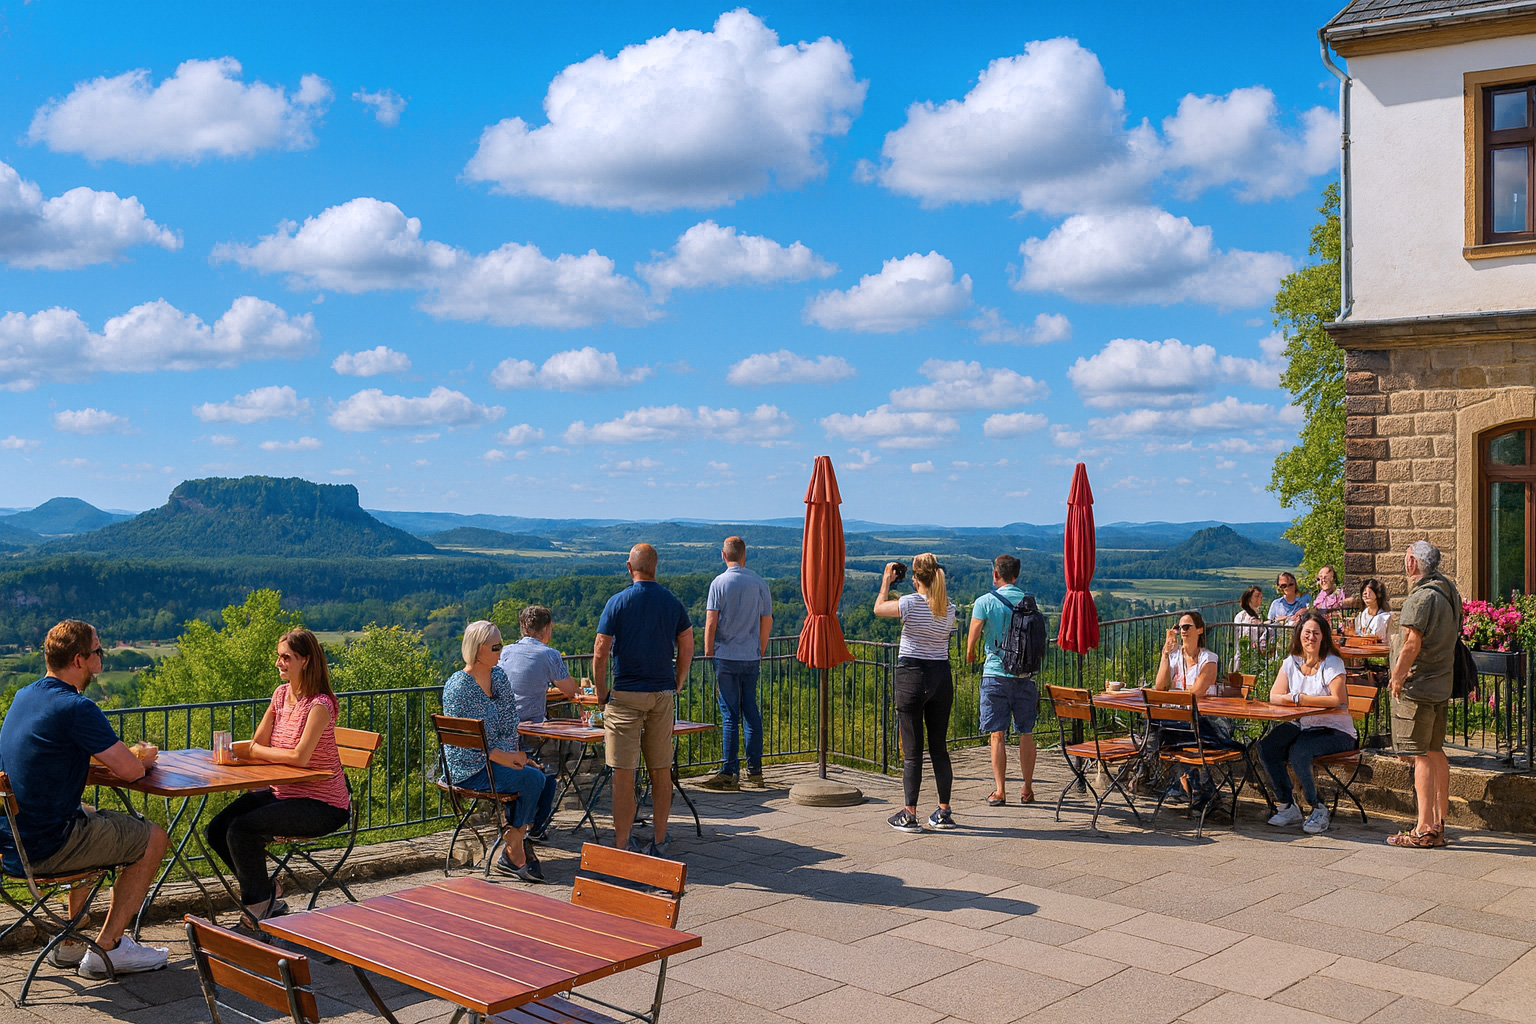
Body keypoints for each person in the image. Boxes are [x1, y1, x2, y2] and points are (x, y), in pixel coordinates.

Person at [0, 620, 171, 979]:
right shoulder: (76, 708)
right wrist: (145, 758)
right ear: (79, 660)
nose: (102, 656)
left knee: (88, 813)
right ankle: (109, 948)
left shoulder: (24, 697)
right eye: (98, 651)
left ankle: (70, 940)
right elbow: (130, 772)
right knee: (154, 837)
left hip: (12, 843)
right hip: (48, 846)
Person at [207, 628, 353, 922]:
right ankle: (264, 889)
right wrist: (252, 753)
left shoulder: (320, 705)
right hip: (283, 793)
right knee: (217, 829)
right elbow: (257, 742)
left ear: (306, 661)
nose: (279, 663)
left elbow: (299, 757)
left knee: (241, 830)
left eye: (286, 657)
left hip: (323, 805)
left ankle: (257, 910)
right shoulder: (280, 695)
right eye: (279, 657)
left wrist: (257, 751)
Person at [593, 543, 692, 856]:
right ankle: (660, 839)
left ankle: (622, 843)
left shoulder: (618, 602)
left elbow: (600, 651)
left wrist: (600, 692)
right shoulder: (671, 602)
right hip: (662, 695)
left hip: (624, 696)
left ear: (628, 567)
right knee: (660, 770)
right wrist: (677, 681)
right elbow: (687, 644)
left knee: (624, 774)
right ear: (656, 567)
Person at [441, 620, 553, 881]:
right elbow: (468, 746)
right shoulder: (459, 687)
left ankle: (516, 837)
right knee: (533, 778)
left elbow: (509, 724)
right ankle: (515, 847)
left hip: (497, 760)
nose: (502, 651)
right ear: (478, 649)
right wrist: (514, 759)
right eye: (496, 646)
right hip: (469, 768)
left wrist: (516, 758)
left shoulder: (499, 677)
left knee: (546, 780)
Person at [875, 553, 957, 833]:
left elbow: (879, 608)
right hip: (941, 676)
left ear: (916, 579)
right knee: (939, 748)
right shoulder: (949, 607)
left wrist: (886, 581)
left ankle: (910, 813)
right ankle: (943, 811)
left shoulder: (909, 603)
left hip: (911, 675)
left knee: (912, 752)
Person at [1387, 540, 1460, 848]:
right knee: (1434, 751)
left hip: (1420, 687)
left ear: (1412, 564)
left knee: (1420, 755)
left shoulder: (1421, 597)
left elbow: (1411, 644)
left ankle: (1423, 828)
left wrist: (1397, 677)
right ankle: (1439, 822)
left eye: (1407, 558)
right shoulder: (1448, 589)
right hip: (1442, 682)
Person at [1259, 610, 1356, 835]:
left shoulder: (1332, 663)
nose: (1311, 637)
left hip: (1335, 730)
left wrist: (1301, 699)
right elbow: (1274, 695)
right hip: (1303, 724)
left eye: (1316, 633)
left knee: (1300, 752)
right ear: (1299, 635)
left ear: (1323, 638)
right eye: (1307, 632)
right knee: (1267, 747)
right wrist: (1294, 699)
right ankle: (1287, 805)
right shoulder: (1291, 663)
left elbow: (1338, 699)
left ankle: (1318, 806)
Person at [697, 536, 773, 793]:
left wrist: (709, 651)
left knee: (730, 714)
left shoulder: (719, 583)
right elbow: (767, 620)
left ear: (723, 555)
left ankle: (729, 772)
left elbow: (711, 621)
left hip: (726, 656)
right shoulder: (759, 582)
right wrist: (759, 649)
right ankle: (755, 770)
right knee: (750, 711)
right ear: (744, 554)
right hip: (750, 656)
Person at [496, 605, 575, 838]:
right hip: (531, 729)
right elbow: (570, 690)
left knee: (518, 767)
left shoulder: (505, 652)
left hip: (503, 731)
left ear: (522, 628)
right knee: (548, 770)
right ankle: (536, 826)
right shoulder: (549, 654)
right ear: (547, 628)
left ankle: (514, 823)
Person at [965, 554, 1038, 806]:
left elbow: (973, 634)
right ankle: (1027, 788)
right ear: (1016, 575)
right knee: (1026, 733)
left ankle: (1000, 790)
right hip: (1025, 675)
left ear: (996, 574)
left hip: (996, 672)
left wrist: (970, 653)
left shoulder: (984, 602)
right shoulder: (1029, 601)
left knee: (997, 733)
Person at [1152, 610, 1231, 805]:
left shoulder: (1209, 658)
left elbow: (1196, 691)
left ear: (1200, 630)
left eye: (1187, 627)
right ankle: (1198, 786)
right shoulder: (1174, 656)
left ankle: (1165, 774)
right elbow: (1160, 687)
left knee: (1164, 728)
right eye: (1179, 627)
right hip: (1183, 721)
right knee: (1161, 724)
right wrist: (1164, 654)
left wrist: (1177, 694)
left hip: (1208, 722)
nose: (1182, 631)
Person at [1233, 585, 1271, 669]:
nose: (1259, 599)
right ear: (1249, 598)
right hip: (1245, 651)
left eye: (1260, 597)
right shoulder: (1242, 616)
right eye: (1256, 596)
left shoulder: (1257, 615)